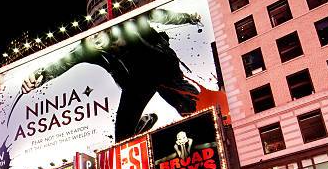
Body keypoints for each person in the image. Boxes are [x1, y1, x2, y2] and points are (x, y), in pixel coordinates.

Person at [19, 8, 203, 142]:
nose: (99, 40)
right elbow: (62, 63)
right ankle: (133, 132)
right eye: (94, 37)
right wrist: (39, 76)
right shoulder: (87, 49)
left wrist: (189, 17)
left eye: (104, 33)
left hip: (162, 68)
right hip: (136, 84)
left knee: (187, 104)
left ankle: (196, 109)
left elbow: (163, 16)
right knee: (121, 137)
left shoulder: (133, 21)